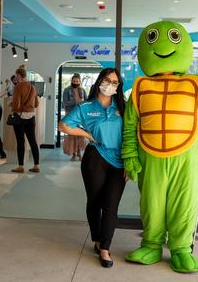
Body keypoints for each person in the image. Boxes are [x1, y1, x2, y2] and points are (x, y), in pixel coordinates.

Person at [58, 68, 126, 268]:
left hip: (118, 161)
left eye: (115, 82)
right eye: (107, 80)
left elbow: (131, 133)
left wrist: (131, 161)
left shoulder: (123, 106)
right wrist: (87, 135)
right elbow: (63, 126)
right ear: (99, 82)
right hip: (95, 158)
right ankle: (98, 240)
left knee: (111, 206)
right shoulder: (86, 107)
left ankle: (105, 247)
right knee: (95, 201)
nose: (111, 85)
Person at [10, 67, 40, 173]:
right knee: (33, 141)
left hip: (20, 117)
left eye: (16, 75)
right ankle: (36, 165)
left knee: (20, 142)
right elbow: (36, 104)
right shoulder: (33, 87)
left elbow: (16, 104)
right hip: (31, 116)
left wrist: (11, 105)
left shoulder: (18, 87)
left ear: (19, 75)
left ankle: (21, 166)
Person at [62, 73, 87, 161]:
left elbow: (86, 103)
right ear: (71, 81)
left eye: (77, 81)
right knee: (71, 134)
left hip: (80, 116)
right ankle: (73, 153)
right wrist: (75, 101)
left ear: (80, 81)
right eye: (74, 81)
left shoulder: (83, 90)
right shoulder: (66, 90)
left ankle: (79, 152)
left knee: (80, 134)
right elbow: (65, 103)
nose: (75, 82)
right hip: (70, 115)